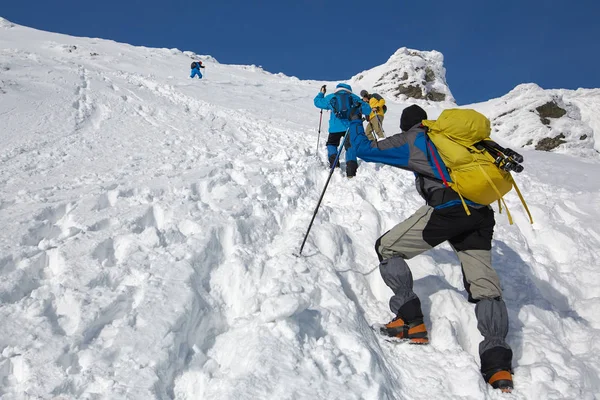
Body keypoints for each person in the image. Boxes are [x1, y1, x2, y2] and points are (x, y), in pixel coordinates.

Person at [347, 104, 514, 392]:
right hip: (480, 212)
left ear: (406, 124)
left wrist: (352, 123)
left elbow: (365, 149)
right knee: (484, 286)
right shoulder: (452, 138)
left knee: (387, 248)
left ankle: (409, 321)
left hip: (449, 208)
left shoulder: (413, 138)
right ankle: (498, 366)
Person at [313, 83, 371, 178]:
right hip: (350, 127)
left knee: (332, 144)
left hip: (334, 128)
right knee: (350, 146)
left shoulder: (332, 97)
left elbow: (317, 102)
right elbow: (368, 110)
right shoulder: (353, 97)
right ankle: (351, 171)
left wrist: (321, 93)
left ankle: (334, 165)